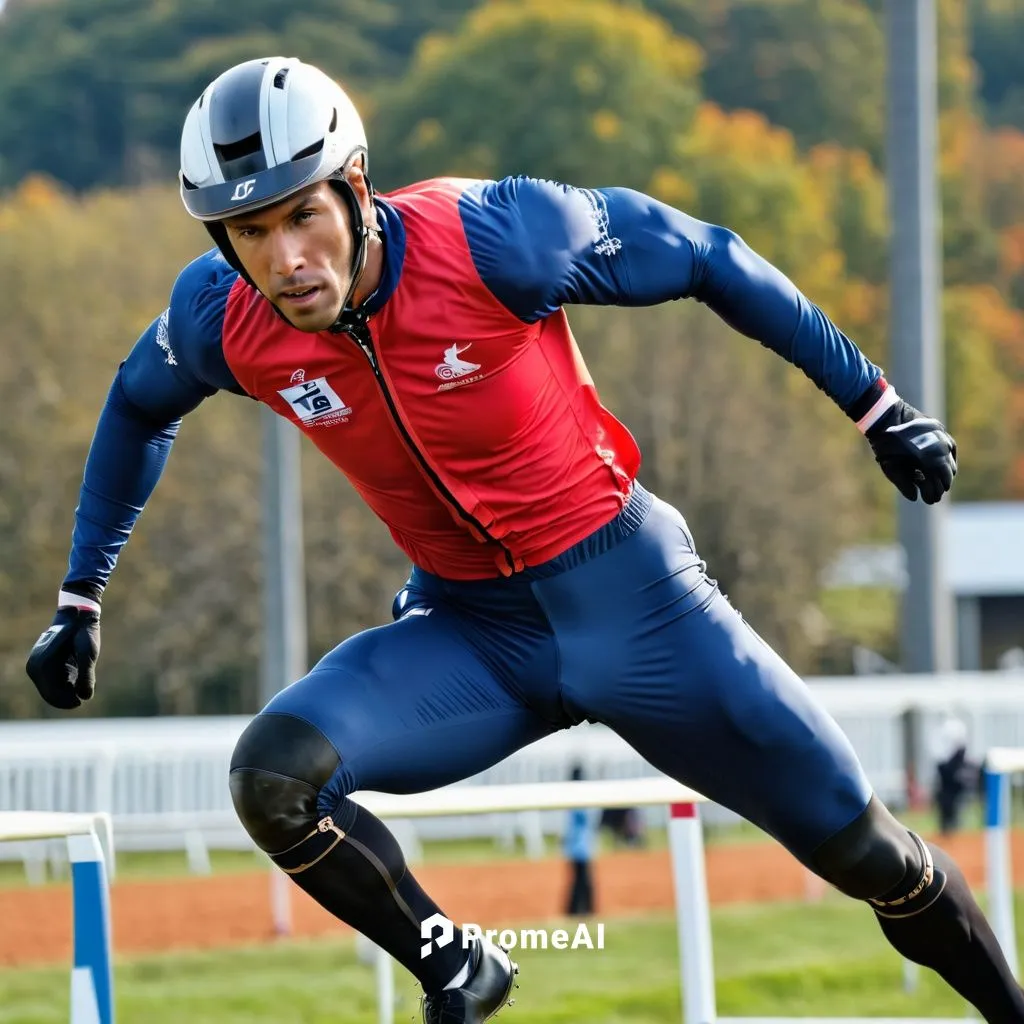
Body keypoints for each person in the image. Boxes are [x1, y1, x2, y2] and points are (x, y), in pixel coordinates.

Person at [22, 56, 1018, 1024]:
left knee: (870, 856)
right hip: (471, 634)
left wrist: (876, 405)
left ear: (355, 188)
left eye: (301, 217)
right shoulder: (222, 318)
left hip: (636, 601)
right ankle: (459, 966)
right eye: (249, 231)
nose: (285, 260)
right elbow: (134, 407)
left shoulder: (496, 236)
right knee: (273, 776)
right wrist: (80, 596)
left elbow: (708, 254)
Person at [562, 765, 597, 916]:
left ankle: (575, 910)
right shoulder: (580, 799)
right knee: (582, 880)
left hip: (575, 846)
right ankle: (583, 910)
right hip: (581, 847)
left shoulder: (570, 798)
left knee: (578, 880)